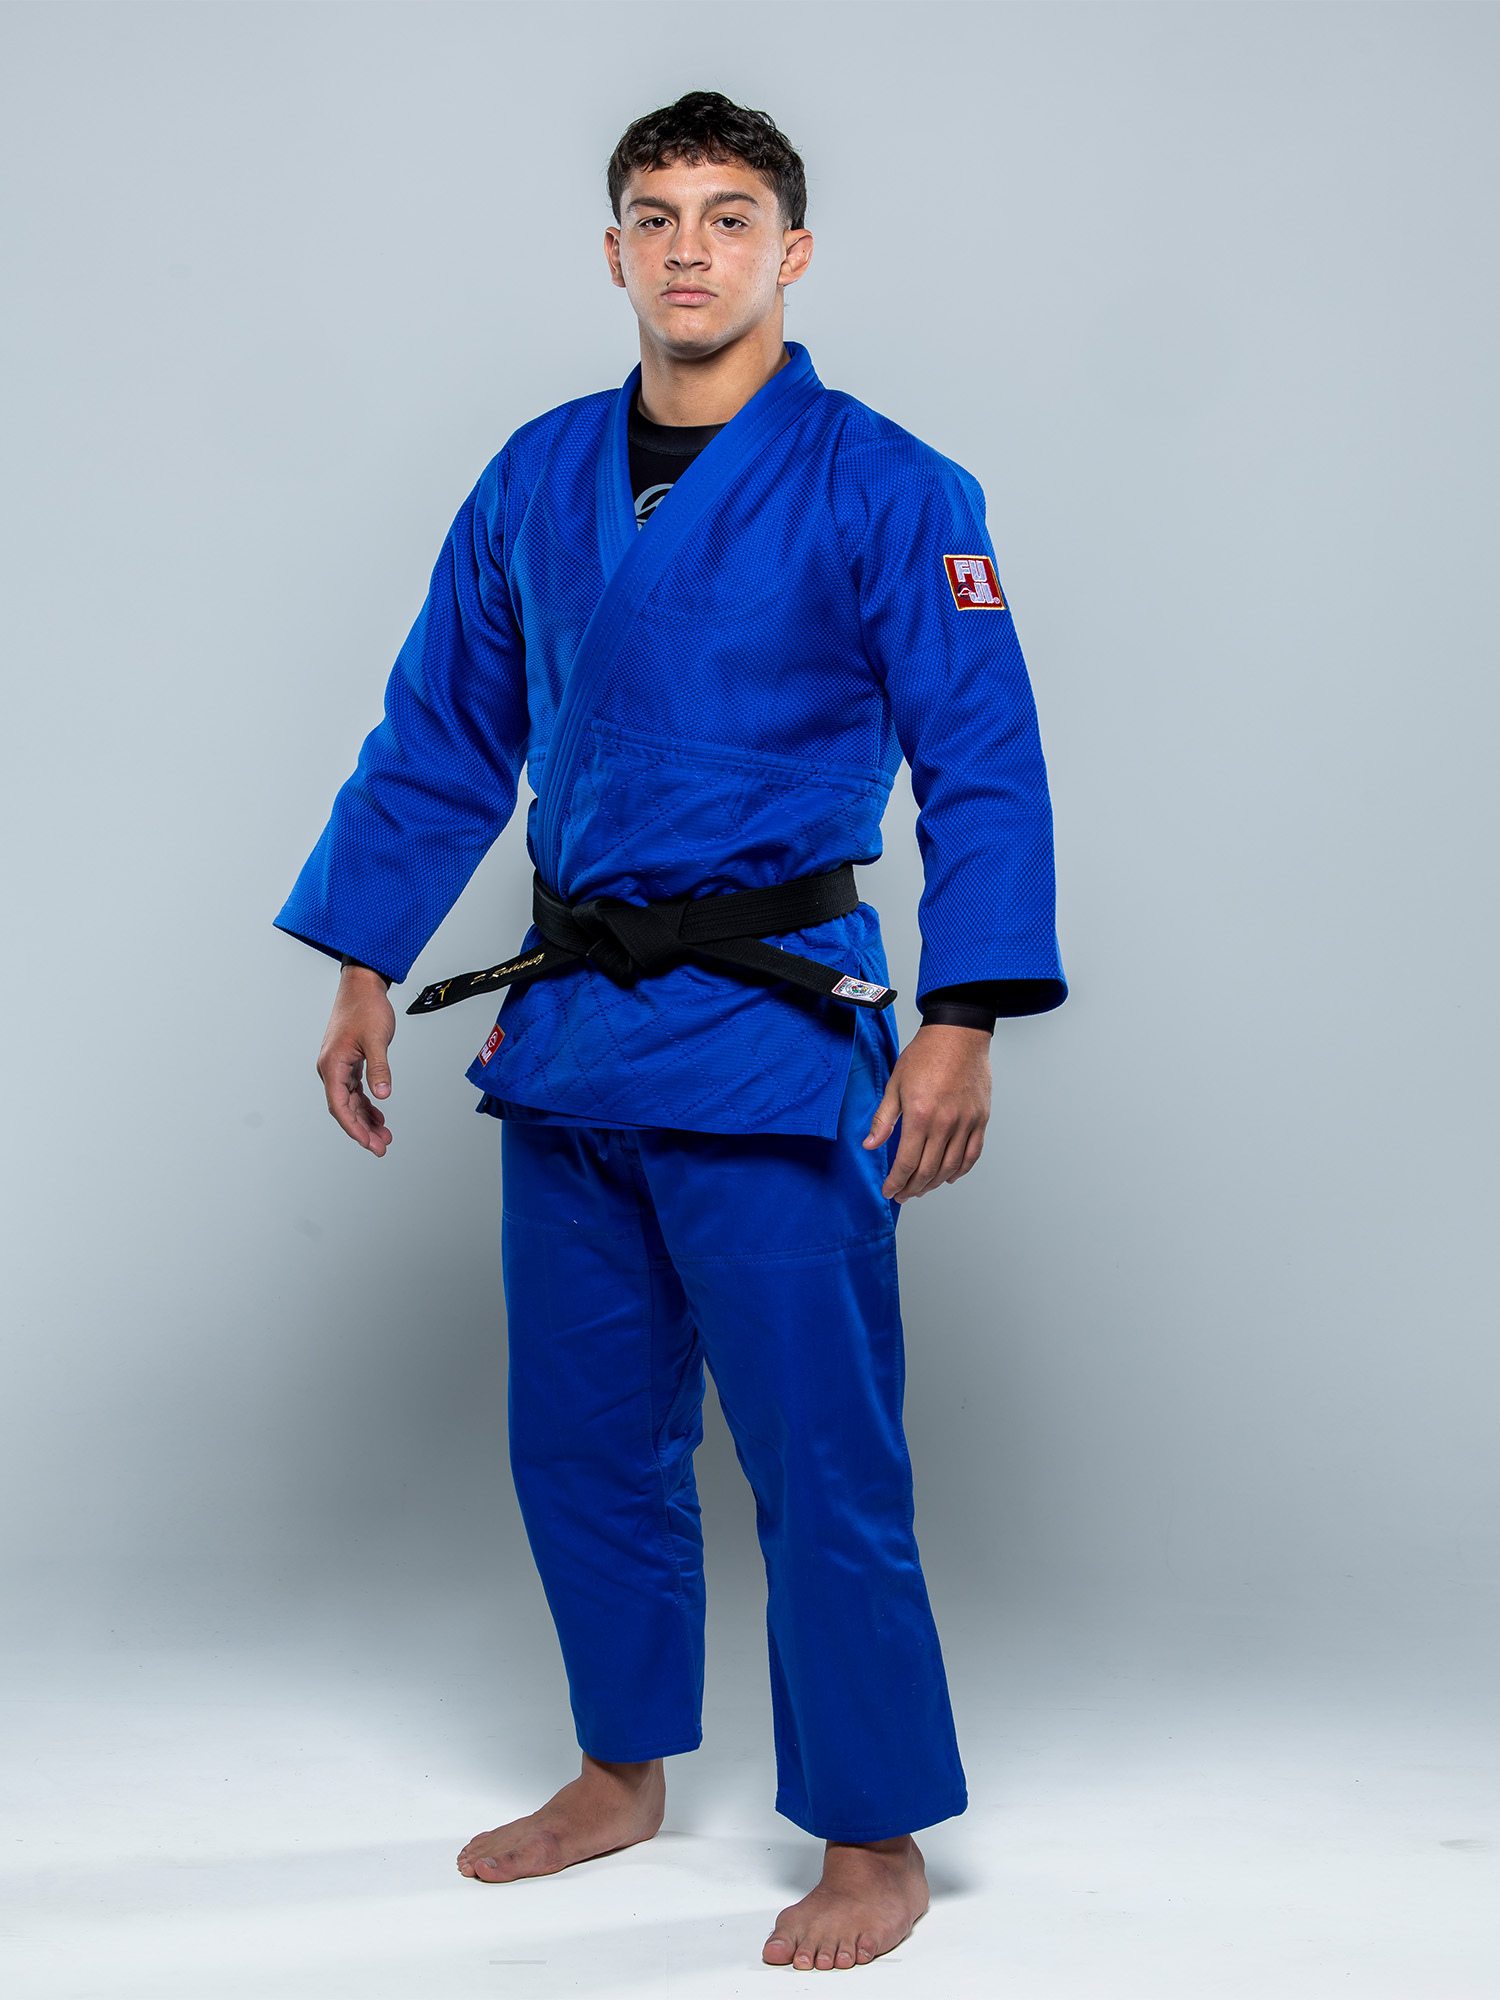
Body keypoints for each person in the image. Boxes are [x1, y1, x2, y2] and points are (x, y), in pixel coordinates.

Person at [276, 90, 1065, 1974]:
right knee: (581, 1439)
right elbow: (446, 731)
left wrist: (960, 1021)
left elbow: (984, 769)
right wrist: (364, 956)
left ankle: (871, 1834)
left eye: (729, 216)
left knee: (818, 1455)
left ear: (793, 251)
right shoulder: (538, 473)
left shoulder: (891, 485)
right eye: (655, 216)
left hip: (772, 1038)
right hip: (569, 1038)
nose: (690, 247)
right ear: (613, 252)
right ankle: (621, 1769)